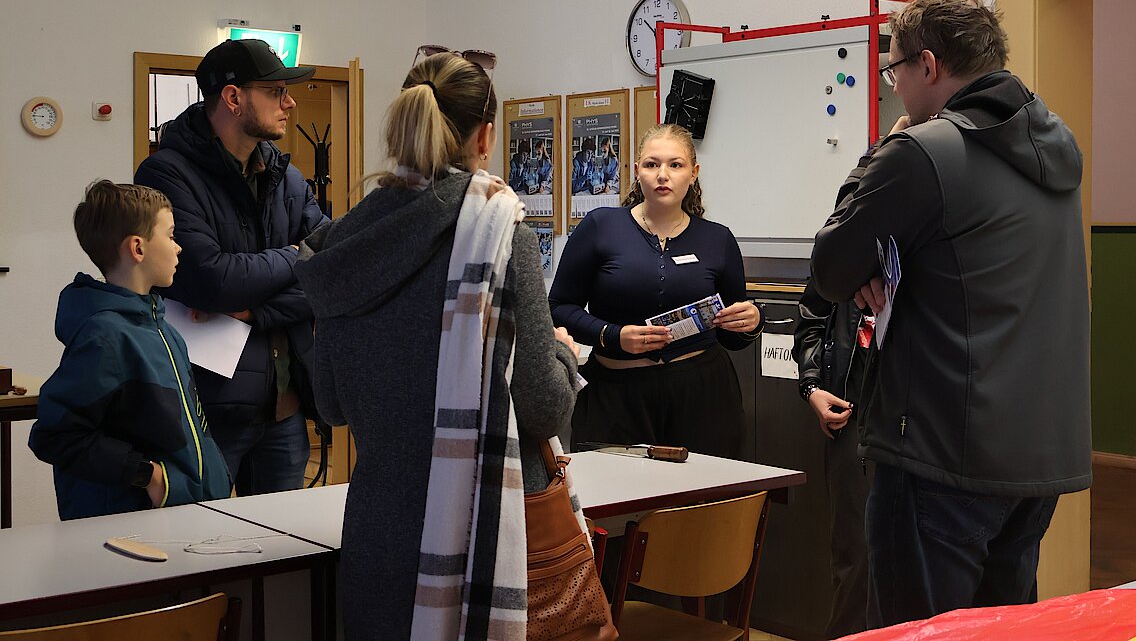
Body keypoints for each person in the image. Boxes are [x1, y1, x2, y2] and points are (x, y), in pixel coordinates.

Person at [809, 0, 1091, 628]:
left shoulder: (921, 151)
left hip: (940, 451)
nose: (895, 88)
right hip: (1035, 454)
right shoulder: (1053, 146)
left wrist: (880, 152)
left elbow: (829, 267)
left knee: (917, 630)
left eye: (894, 71)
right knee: (1000, 629)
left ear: (928, 65)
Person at [294, 50, 580, 640]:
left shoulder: (342, 243)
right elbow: (543, 405)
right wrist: (561, 353)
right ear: (485, 136)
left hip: (381, 532)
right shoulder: (500, 234)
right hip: (485, 529)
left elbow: (331, 404)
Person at [135, 38, 329, 496]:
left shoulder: (286, 177)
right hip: (206, 408)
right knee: (202, 534)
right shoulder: (166, 175)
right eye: (276, 92)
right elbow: (212, 281)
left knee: (282, 539)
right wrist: (297, 255)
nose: (289, 102)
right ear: (233, 97)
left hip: (285, 404)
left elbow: (334, 269)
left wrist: (257, 310)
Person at [549, 123, 763, 458]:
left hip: (702, 396)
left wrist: (752, 322)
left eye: (675, 165)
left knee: (704, 490)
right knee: (612, 489)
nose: (663, 174)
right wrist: (613, 335)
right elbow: (559, 308)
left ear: (693, 173)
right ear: (637, 171)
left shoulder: (718, 239)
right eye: (652, 164)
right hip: (616, 397)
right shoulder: (600, 226)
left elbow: (732, 337)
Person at [28, 181, 231, 520]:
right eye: (170, 235)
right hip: (129, 528)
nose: (178, 247)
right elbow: (55, 435)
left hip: (181, 516)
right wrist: (148, 476)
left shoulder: (165, 331)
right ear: (137, 248)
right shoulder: (105, 337)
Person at [794, 282, 875, 639]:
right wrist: (812, 384)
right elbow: (812, 318)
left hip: (923, 419)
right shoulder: (845, 247)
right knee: (856, 558)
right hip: (853, 411)